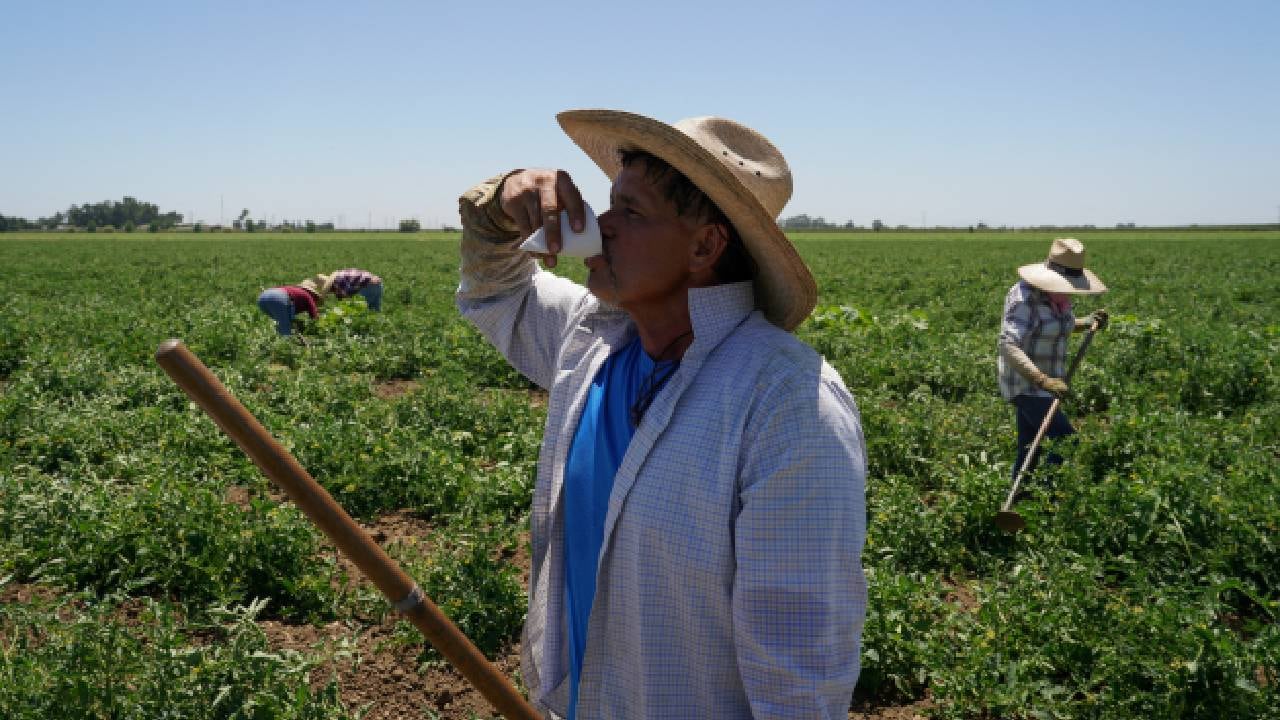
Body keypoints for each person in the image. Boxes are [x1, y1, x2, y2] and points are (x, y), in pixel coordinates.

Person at [455, 109, 866, 719]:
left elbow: (799, 676)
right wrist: (500, 201)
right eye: (608, 204)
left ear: (704, 246)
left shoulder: (786, 404)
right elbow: (497, 287)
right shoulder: (593, 340)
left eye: (631, 212)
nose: (600, 225)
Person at [997, 238, 1109, 480]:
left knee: (1030, 448)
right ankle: (1046, 495)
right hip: (1024, 384)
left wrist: (1085, 323)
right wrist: (1041, 379)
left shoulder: (1059, 300)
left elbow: (1056, 327)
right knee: (1065, 439)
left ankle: (1020, 501)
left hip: (1046, 384)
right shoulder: (1024, 298)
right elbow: (1008, 344)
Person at [256, 268, 383, 336]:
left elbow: (347, 299)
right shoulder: (307, 296)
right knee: (369, 312)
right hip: (376, 284)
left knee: (283, 322)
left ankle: (370, 332)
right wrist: (322, 328)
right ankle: (284, 347)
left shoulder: (339, 281)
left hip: (263, 298)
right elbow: (314, 316)